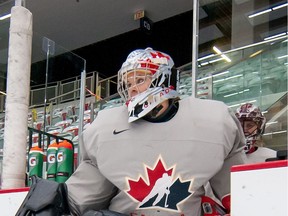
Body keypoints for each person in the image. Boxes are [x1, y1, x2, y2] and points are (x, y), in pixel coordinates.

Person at [17, 48, 247, 216]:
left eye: (140, 79)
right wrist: (49, 206)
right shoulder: (105, 127)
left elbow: (241, 195)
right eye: (127, 82)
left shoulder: (213, 121)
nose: (132, 88)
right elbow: (82, 196)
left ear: (165, 78)